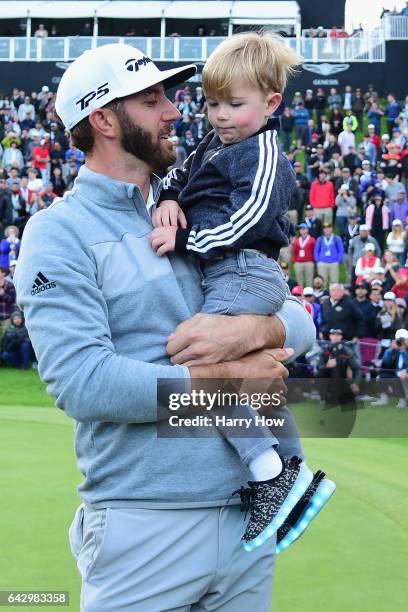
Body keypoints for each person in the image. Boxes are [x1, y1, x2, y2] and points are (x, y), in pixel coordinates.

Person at [15, 42, 317, 611]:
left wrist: (256, 336)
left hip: (247, 523)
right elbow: (85, 383)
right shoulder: (58, 233)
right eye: (152, 101)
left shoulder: (196, 210)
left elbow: (299, 323)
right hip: (146, 521)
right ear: (103, 120)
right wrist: (225, 381)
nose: (175, 111)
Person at [151, 32, 334, 551]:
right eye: (212, 104)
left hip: (243, 269)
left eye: (234, 104)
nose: (220, 116)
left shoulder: (264, 151)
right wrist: (167, 197)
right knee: (251, 376)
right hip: (226, 269)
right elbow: (180, 173)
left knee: (204, 372)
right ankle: (293, 469)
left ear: (271, 103)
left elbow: (250, 218)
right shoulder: (217, 143)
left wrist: (185, 235)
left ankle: (266, 468)